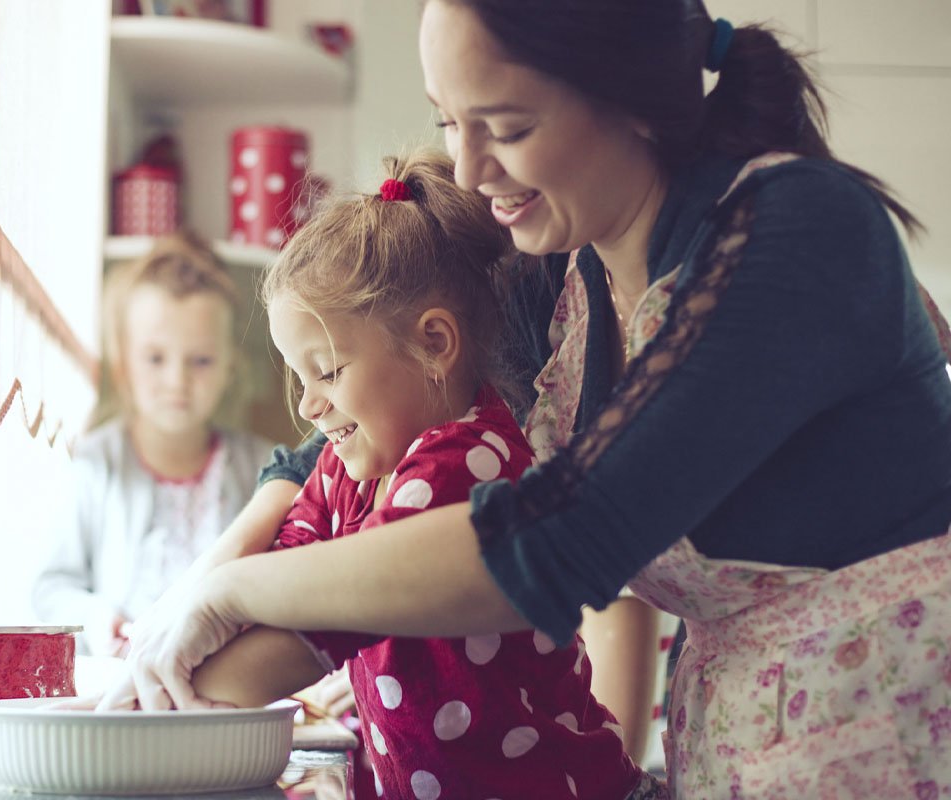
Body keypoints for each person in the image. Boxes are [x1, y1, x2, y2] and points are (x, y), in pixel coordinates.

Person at [114, 1, 951, 797]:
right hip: (744, 751)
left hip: (898, 740)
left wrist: (233, 593)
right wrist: (191, 609)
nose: (473, 171)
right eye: (450, 121)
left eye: (508, 128)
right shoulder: (561, 274)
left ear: (633, 103)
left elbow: (557, 538)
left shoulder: (796, 232)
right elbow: (338, 442)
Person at [187, 150, 653, 799]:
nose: (307, 404)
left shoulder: (465, 463)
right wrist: (191, 621)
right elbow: (291, 556)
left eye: (327, 371)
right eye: (300, 377)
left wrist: (175, 673)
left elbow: (318, 621)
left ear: (434, 344)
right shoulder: (353, 464)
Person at [30, 232, 275, 657]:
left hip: (227, 688)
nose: (176, 381)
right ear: (124, 365)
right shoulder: (95, 463)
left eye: (200, 361)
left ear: (229, 368)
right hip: (121, 687)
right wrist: (98, 619)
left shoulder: (266, 470)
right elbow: (52, 585)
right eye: (155, 359)